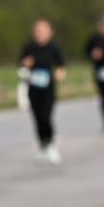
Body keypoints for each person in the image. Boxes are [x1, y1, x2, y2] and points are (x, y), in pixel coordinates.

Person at [20, 20, 66, 164]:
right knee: (37, 118)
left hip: (48, 89)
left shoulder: (54, 48)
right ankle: (42, 145)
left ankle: (51, 144)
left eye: (43, 31)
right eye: (37, 31)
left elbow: (61, 66)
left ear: (50, 32)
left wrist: (59, 74)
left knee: (46, 116)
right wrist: (25, 65)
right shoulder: (29, 48)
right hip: (33, 89)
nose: (40, 34)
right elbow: (21, 66)